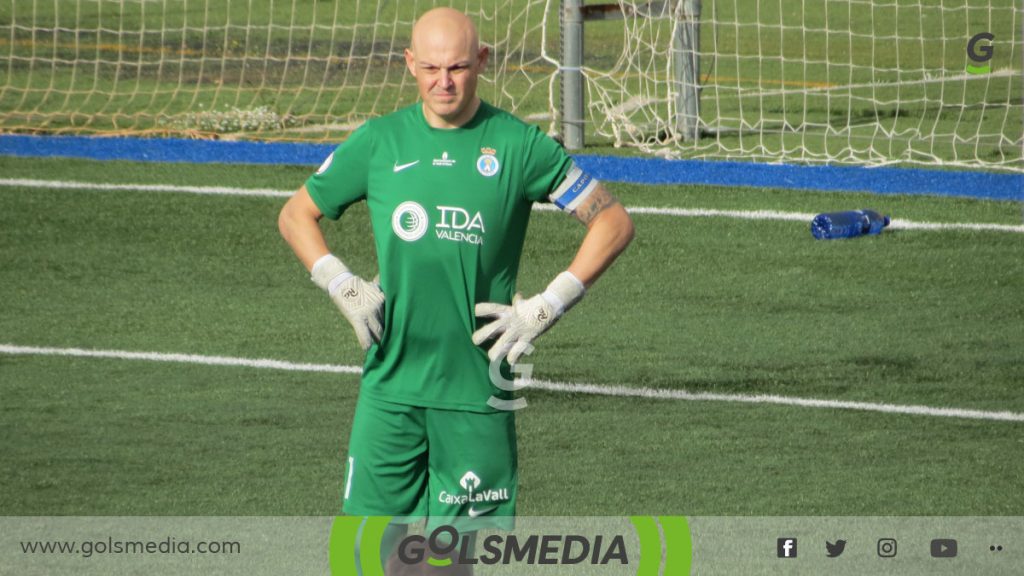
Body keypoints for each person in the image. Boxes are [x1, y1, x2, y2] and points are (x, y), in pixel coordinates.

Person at [278, 7, 634, 574]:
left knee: (462, 562)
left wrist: (548, 304)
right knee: (363, 556)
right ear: (410, 64)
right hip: (390, 386)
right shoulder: (380, 141)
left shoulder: (519, 146)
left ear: (483, 63)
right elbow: (297, 213)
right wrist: (340, 282)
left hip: (477, 391)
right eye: (432, 68)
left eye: (460, 67)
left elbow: (612, 222)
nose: (445, 82)